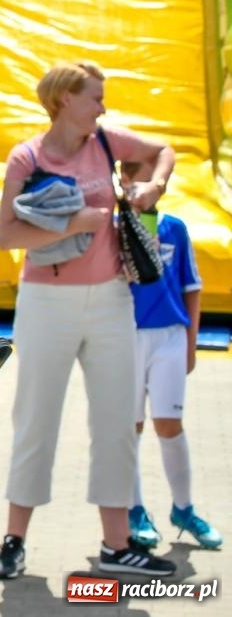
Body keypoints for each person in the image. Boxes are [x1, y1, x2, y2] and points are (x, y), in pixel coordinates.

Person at [0, 61, 178, 580]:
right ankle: (14, 540)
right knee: (35, 422)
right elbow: (6, 235)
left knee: (117, 421)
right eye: (94, 97)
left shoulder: (107, 142)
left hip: (112, 299)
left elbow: (164, 151)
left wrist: (152, 188)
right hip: (46, 302)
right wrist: (75, 223)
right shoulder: (26, 158)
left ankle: (117, 546)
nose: (102, 106)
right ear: (64, 100)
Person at [116, 164, 221, 551]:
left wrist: (190, 343)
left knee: (170, 424)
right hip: (125, 339)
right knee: (130, 428)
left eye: (150, 177)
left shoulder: (175, 227)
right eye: (133, 176)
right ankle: (134, 511)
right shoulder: (114, 228)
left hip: (170, 339)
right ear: (123, 182)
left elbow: (192, 289)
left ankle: (184, 508)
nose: (141, 185)